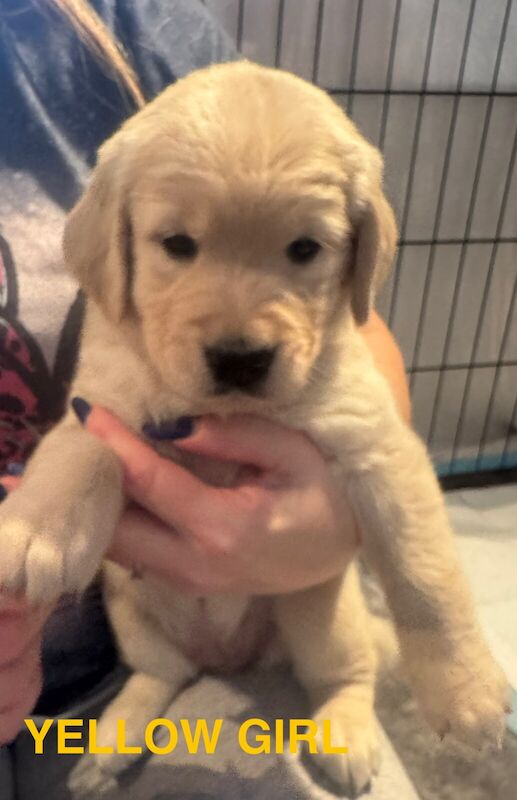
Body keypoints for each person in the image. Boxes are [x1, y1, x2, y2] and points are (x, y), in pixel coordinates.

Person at [0, 0, 411, 796]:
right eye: (178, 245)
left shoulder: (150, 36)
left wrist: (339, 512)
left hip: (148, 653)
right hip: (137, 630)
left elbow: (353, 335)